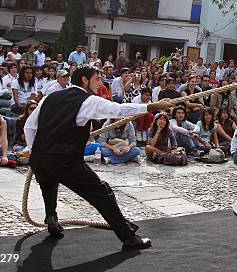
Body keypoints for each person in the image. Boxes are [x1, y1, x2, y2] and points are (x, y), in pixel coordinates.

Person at [24, 65, 172, 249]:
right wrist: (153, 106)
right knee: (103, 193)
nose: (100, 83)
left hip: (40, 158)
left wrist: (35, 150)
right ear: (84, 80)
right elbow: (118, 110)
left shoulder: (49, 98)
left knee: (49, 184)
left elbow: (29, 127)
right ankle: (128, 238)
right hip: (65, 161)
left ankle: (52, 219)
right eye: (97, 79)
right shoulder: (87, 101)